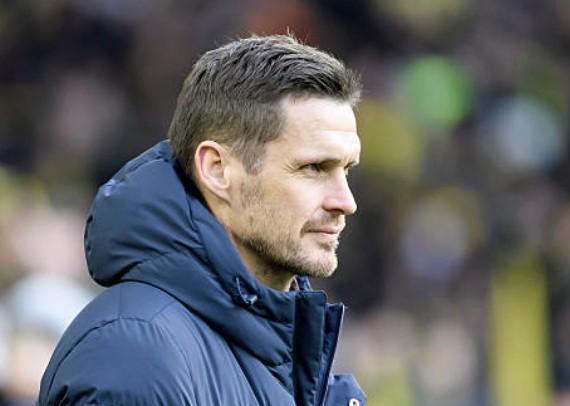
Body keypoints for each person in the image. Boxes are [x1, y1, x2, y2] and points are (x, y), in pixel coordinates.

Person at [37, 34, 366, 405]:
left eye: (346, 170)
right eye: (314, 168)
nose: (346, 202)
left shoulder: (283, 355)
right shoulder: (134, 354)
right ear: (217, 169)